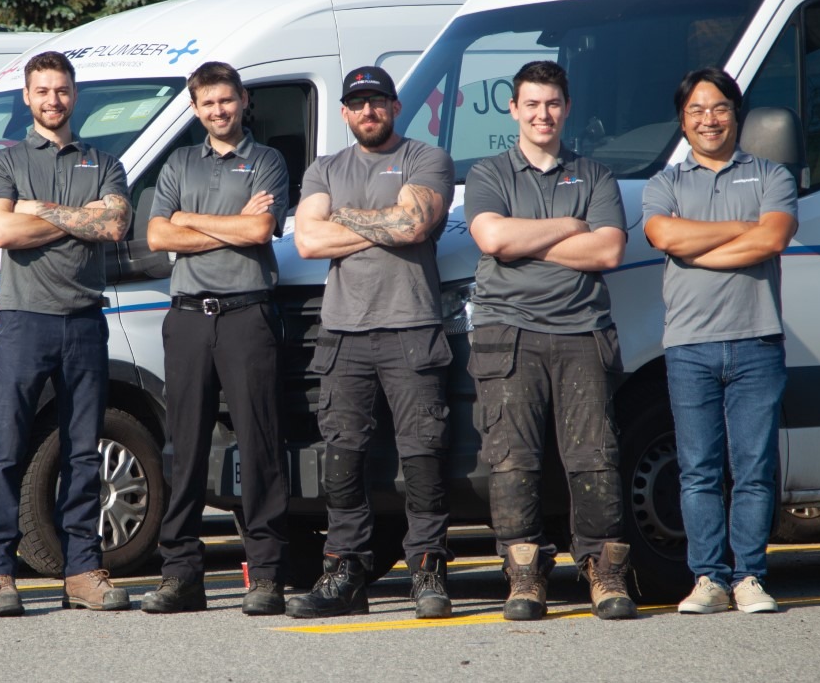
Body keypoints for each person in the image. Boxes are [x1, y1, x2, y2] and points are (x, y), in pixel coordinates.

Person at [464, 61, 637, 621]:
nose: (543, 114)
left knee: (595, 458)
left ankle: (604, 572)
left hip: (582, 330)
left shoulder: (595, 175)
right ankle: (524, 576)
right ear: (513, 109)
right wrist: (570, 225)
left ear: (567, 108)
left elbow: (608, 250)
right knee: (511, 459)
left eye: (553, 104)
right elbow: (493, 238)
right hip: (508, 332)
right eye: (532, 104)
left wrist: (526, 241)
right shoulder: (489, 173)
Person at [289, 66, 456, 620]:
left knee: (423, 454)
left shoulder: (425, 158)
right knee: (343, 458)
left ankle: (427, 571)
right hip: (343, 334)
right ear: (344, 112)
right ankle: (345, 572)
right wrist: (383, 223)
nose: (368, 111)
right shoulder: (324, 168)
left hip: (412, 328)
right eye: (357, 103)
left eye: (378, 101)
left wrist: (341, 218)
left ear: (395, 106)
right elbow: (307, 241)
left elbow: (412, 226)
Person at [0, 51, 133, 615]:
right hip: (24, 320)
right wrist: (78, 217)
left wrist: (38, 210)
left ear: (74, 94)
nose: (53, 100)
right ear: (27, 96)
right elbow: (1, 230)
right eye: (42, 91)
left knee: (83, 452)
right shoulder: (4, 161)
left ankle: (83, 570)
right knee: (7, 448)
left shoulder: (104, 162)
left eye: (61, 90)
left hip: (85, 320)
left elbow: (115, 223)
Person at [642, 67, 798, 615]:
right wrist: (741, 228)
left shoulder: (771, 175)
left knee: (754, 469)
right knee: (699, 470)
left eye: (719, 108)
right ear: (682, 121)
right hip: (689, 344)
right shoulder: (665, 184)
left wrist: (697, 250)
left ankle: (750, 576)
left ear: (737, 114)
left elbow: (773, 237)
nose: (709, 120)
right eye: (697, 110)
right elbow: (662, 234)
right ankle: (708, 577)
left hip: (757, 340)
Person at [139, 62, 290, 616]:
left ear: (243, 100)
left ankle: (266, 575)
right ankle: (181, 574)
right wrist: (223, 224)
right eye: (208, 103)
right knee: (184, 449)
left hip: (247, 315)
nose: (218, 110)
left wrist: (189, 219)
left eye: (226, 100)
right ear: (195, 107)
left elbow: (259, 230)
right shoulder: (180, 162)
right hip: (187, 318)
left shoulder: (267, 160)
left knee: (259, 445)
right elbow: (157, 234)